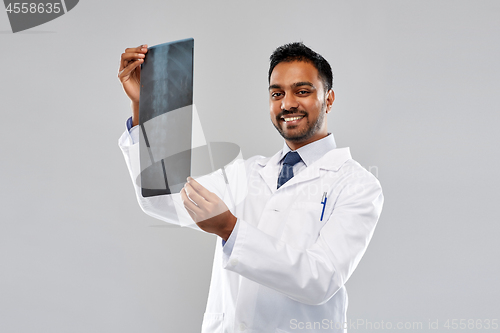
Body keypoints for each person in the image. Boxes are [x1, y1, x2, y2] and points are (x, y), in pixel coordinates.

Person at [118, 42, 383, 333]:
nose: (287, 104)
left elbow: (321, 278)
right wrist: (145, 106)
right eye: (277, 93)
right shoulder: (247, 173)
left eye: (302, 91)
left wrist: (230, 229)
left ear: (329, 99)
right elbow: (163, 198)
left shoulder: (357, 185)